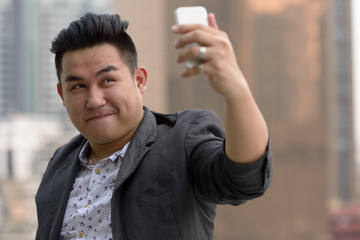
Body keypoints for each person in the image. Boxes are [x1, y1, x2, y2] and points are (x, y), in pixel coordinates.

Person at [35, 11, 272, 240]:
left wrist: (236, 92)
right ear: (62, 95)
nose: (95, 100)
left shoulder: (182, 139)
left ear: (139, 81)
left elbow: (244, 179)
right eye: (78, 86)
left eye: (107, 80)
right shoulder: (60, 163)